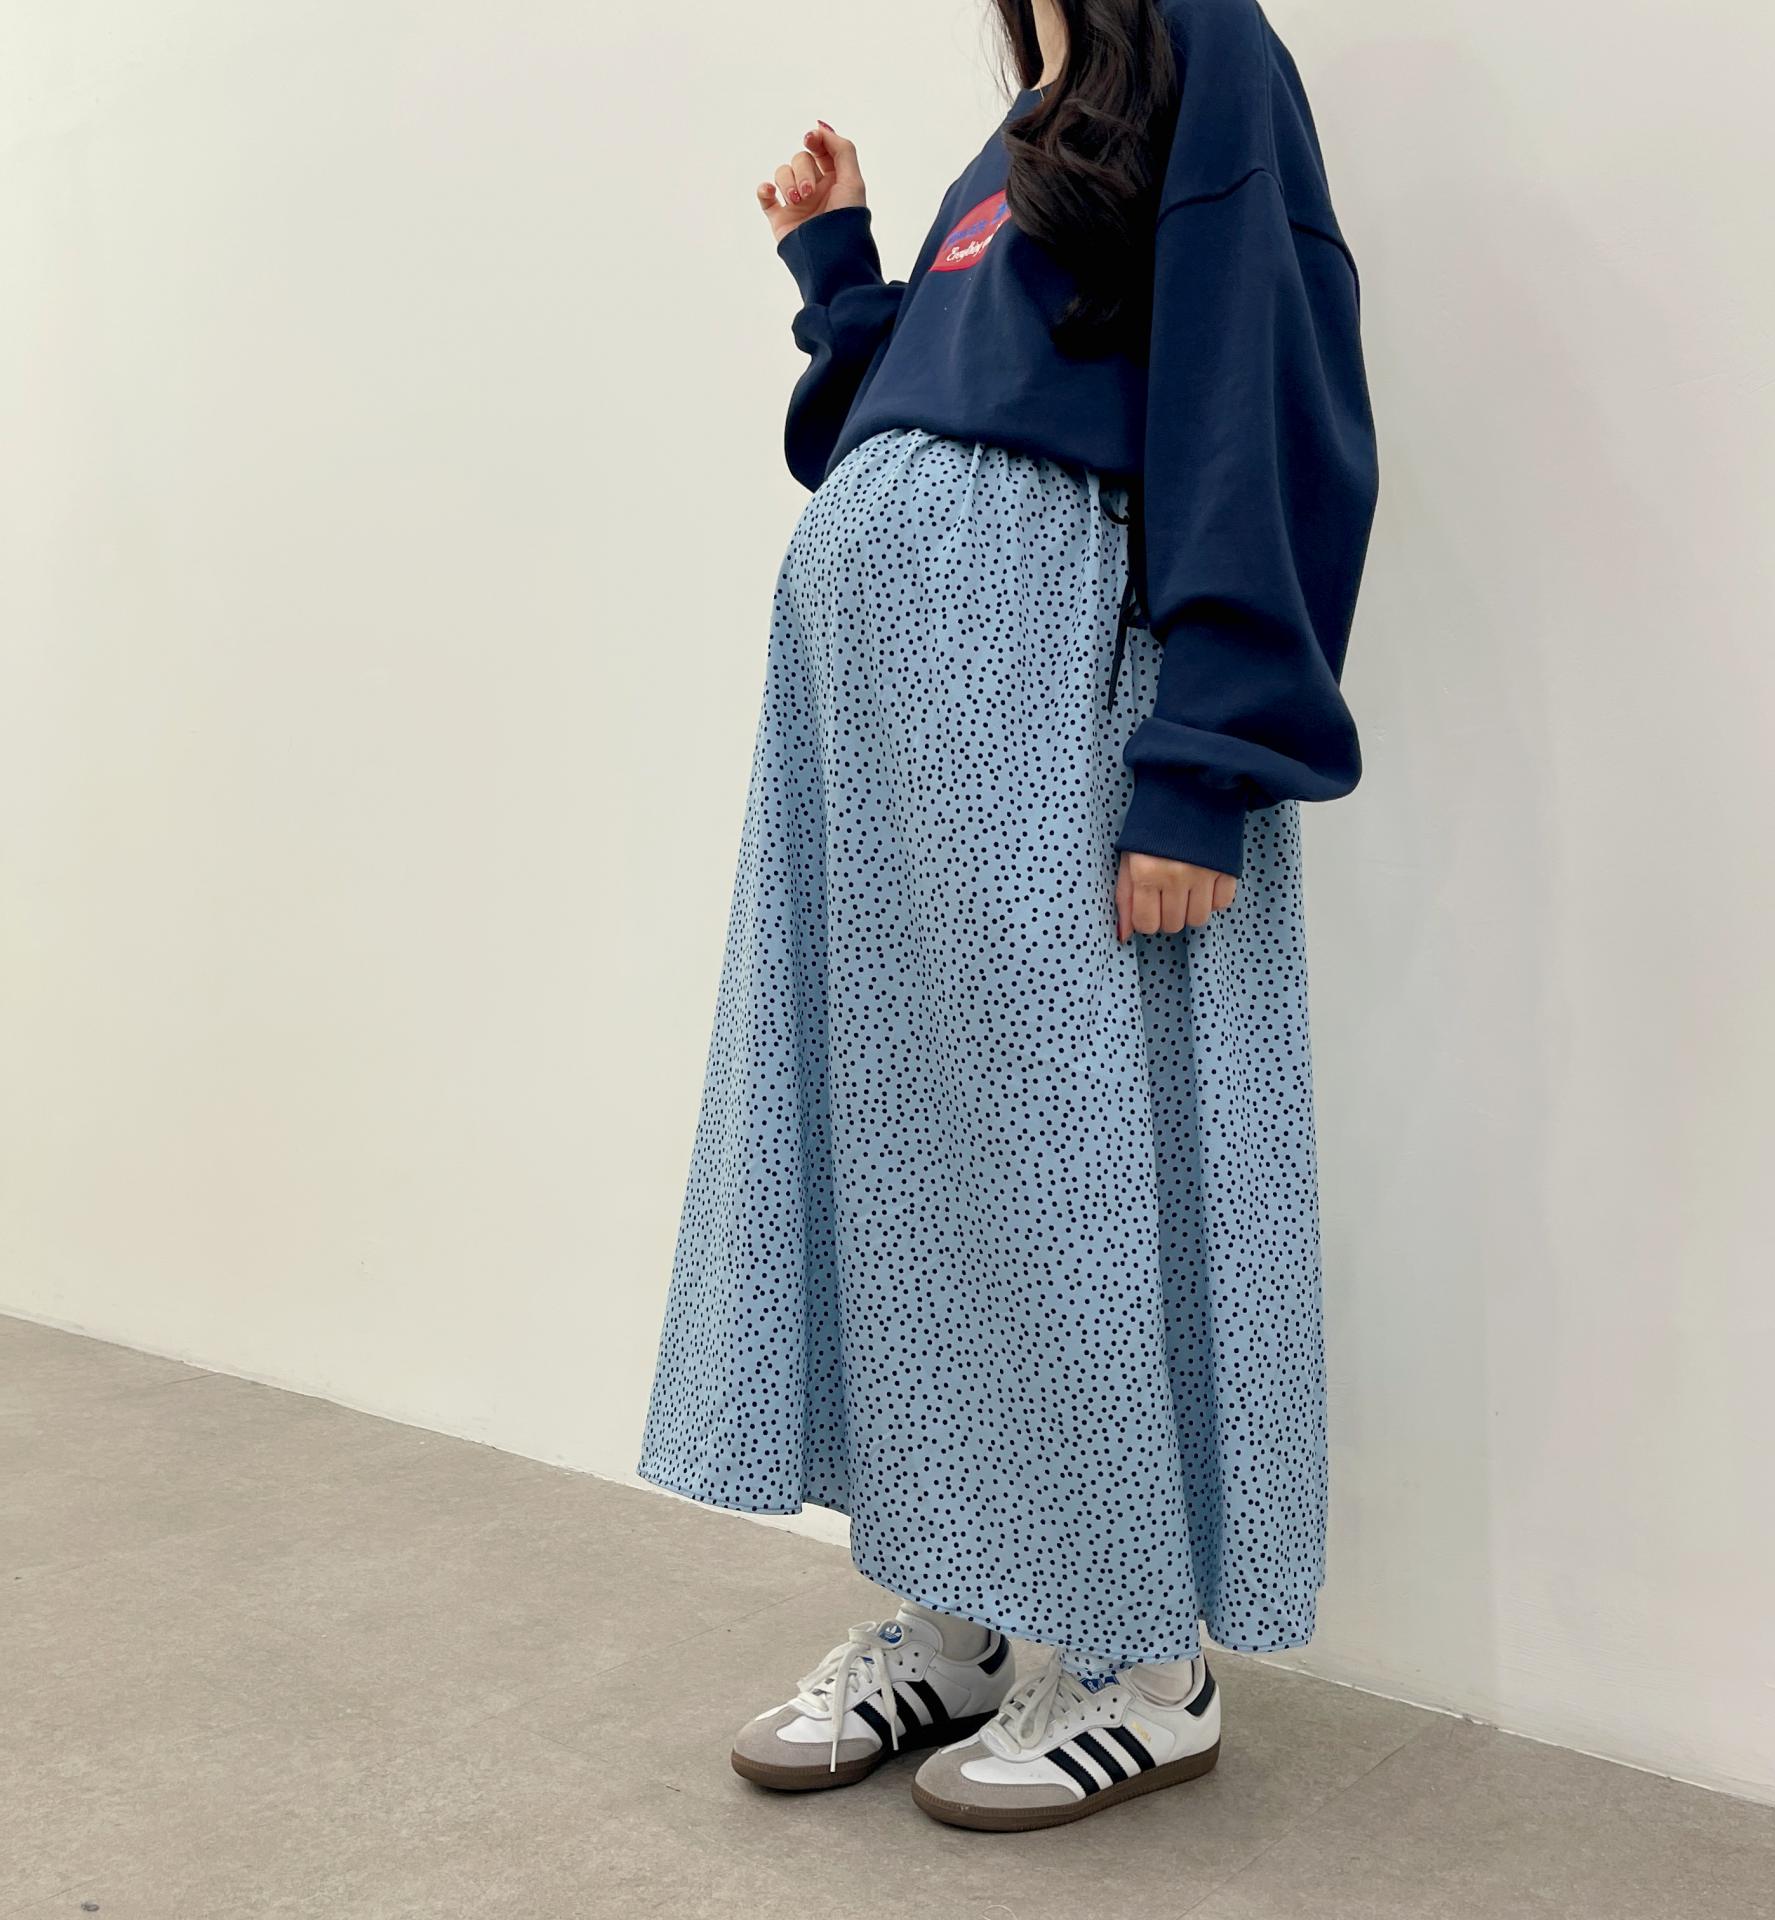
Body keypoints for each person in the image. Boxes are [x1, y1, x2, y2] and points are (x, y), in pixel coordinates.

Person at [639, 0, 1376, 1832]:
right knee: (924, 1168)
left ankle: (1142, 1663)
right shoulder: (1036, 123)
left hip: (1061, 712)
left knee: (1065, 1168)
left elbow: (1258, 379)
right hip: (890, 756)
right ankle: (965, 1602)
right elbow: (925, 429)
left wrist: (1207, 757)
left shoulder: (1205, 44)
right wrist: (842, 278)